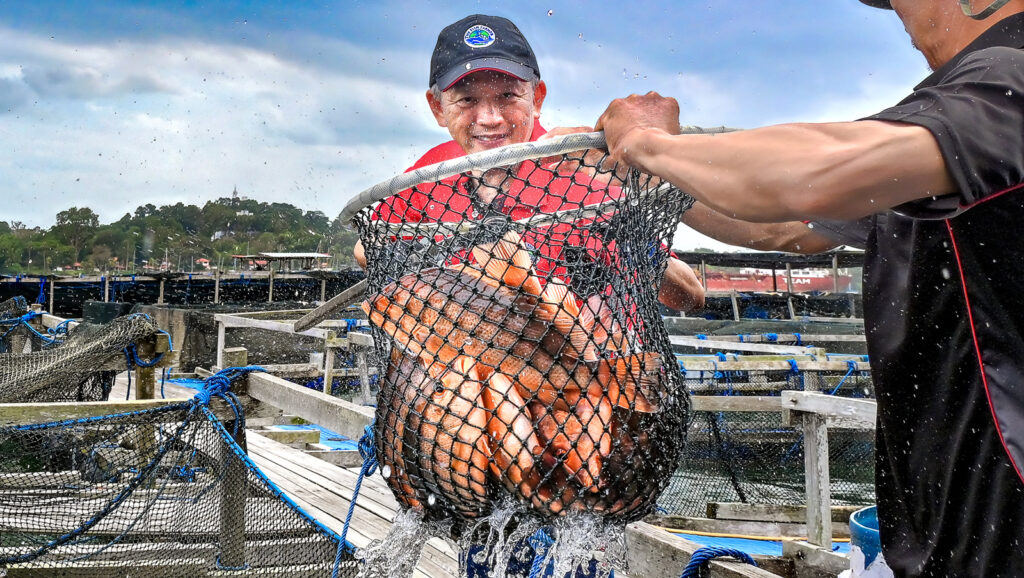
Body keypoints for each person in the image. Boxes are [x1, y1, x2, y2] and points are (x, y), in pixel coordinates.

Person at [594, 0, 1024, 575]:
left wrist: (652, 144)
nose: (897, 10)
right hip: (943, 519)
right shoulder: (959, 109)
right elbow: (785, 224)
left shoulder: (1009, 75)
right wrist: (653, 167)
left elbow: (813, 179)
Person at [354, 14, 704, 313]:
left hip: (589, 375)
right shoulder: (431, 170)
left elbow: (691, 297)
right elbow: (364, 249)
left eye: (507, 96)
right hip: (477, 375)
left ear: (536, 98)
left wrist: (630, 243)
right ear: (437, 108)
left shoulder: (585, 170)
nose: (489, 118)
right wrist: (443, 269)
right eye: (467, 100)